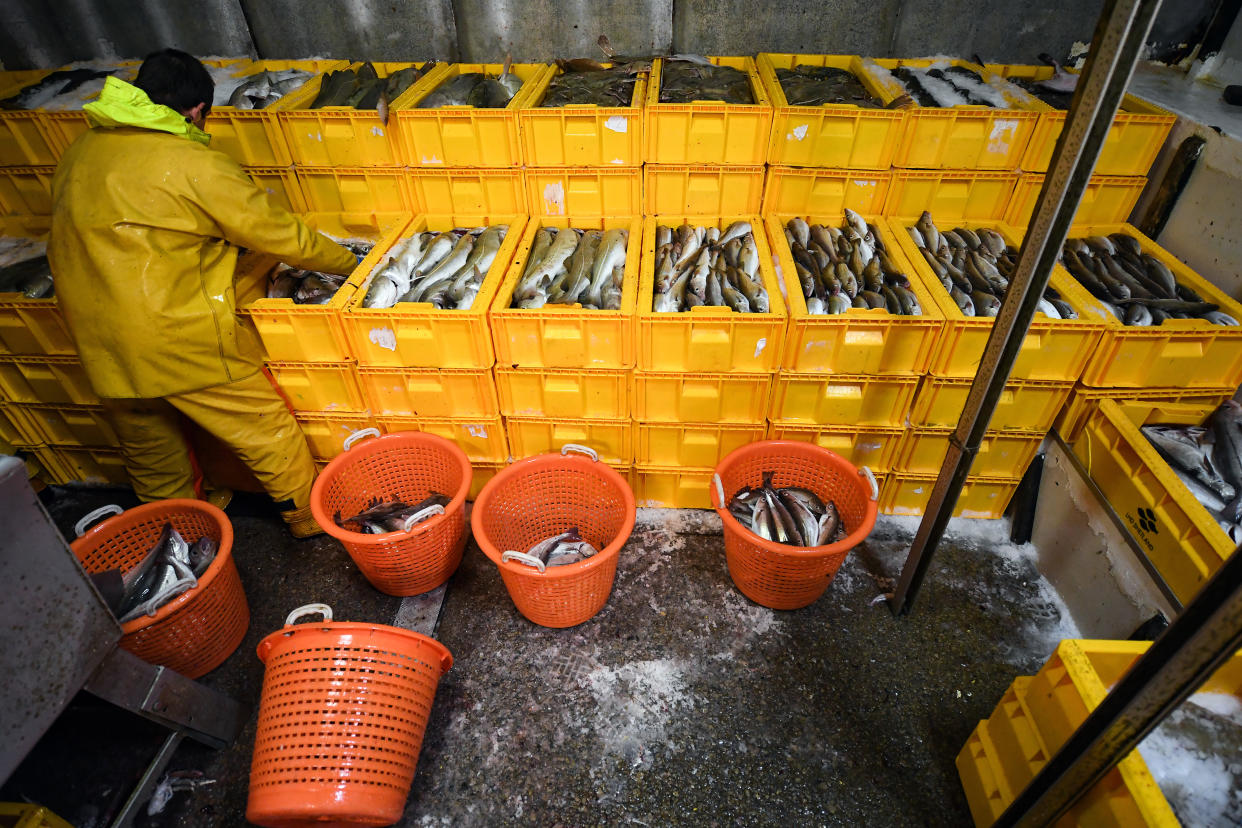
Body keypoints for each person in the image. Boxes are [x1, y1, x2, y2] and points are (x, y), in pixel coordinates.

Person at [47, 49, 358, 537]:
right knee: (264, 428)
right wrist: (352, 264)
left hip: (98, 337)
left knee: (151, 448)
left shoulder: (80, 151)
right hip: (175, 333)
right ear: (195, 109)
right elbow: (280, 237)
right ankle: (308, 519)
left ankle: (177, 534)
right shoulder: (192, 163)